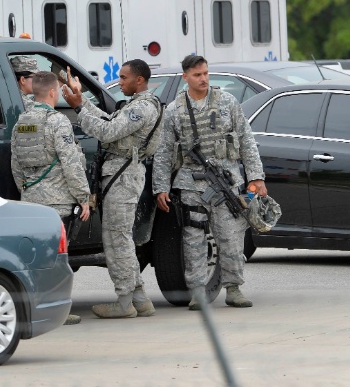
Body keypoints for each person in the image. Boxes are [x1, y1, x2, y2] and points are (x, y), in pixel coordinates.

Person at [153, 54, 267, 310]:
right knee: (193, 239)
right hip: (191, 184)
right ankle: (197, 291)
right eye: (197, 75)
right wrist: (160, 187)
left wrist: (256, 177)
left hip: (226, 181)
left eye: (205, 73)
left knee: (231, 236)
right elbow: (163, 150)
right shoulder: (174, 110)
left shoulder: (227, 102)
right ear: (185, 77)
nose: (203, 79)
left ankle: (234, 288)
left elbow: (246, 139)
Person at [62, 59, 163, 319]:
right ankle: (139, 299)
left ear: (139, 80)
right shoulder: (136, 105)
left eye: (124, 77)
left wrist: (78, 110)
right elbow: (109, 119)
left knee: (116, 239)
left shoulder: (142, 108)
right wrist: (82, 101)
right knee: (120, 238)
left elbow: (107, 131)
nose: (120, 81)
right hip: (122, 174)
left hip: (124, 176)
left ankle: (125, 302)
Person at [11, 71, 91, 325]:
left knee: (34, 258)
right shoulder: (57, 122)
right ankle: (55, 310)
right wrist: (83, 197)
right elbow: (71, 162)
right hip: (57, 203)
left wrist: (27, 190)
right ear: (54, 92)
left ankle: (36, 307)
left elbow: (16, 164)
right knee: (57, 258)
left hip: (30, 200)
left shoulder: (21, 122)